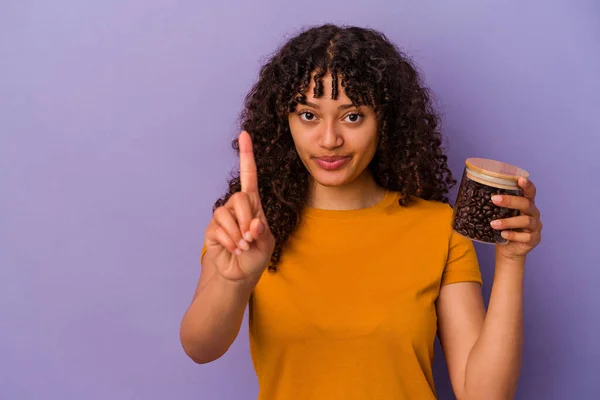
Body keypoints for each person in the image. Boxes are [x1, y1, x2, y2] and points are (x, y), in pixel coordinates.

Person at [179, 24, 543, 400]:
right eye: (308, 115)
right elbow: (199, 348)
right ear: (284, 120)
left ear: (385, 121)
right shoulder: (250, 226)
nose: (329, 139)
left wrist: (512, 260)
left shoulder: (437, 228)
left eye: (352, 116)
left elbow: (484, 395)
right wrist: (234, 281)